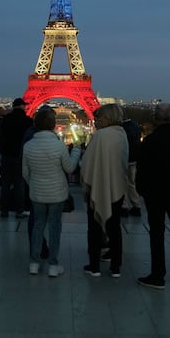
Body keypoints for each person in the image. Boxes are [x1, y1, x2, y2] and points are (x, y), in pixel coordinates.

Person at [22, 109, 80, 277]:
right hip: (57, 194)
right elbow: (69, 168)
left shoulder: (28, 146)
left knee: (38, 226)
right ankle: (53, 265)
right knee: (55, 227)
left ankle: (34, 262)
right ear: (53, 125)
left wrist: (34, 184)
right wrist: (75, 152)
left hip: (37, 192)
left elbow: (25, 172)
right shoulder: (59, 145)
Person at [81, 103, 128, 278]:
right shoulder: (122, 135)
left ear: (107, 118)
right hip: (117, 186)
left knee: (94, 228)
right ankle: (116, 267)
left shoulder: (101, 136)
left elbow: (87, 163)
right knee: (115, 227)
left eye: (99, 118)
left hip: (98, 186)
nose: (97, 121)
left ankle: (94, 266)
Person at [135, 103, 170, 289]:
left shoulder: (150, 141)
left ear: (156, 118)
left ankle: (158, 275)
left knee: (156, 235)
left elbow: (141, 171)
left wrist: (143, 191)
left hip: (155, 194)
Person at [0, 97, 33, 218]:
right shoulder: (28, 121)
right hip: (20, 155)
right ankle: (19, 210)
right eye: (24, 106)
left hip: (6, 154)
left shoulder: (5, 120)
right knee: (19, 183)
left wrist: (2, 144)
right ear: (21, 107)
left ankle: (4, 210)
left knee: (6, 183)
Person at [121, 116, 142, 217]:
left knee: (122, 183)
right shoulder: (136, 126)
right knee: (131, 183)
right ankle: (136, 205)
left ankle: (124, 206)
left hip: (125, 159)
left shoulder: (121, 128)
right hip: (134, 159)